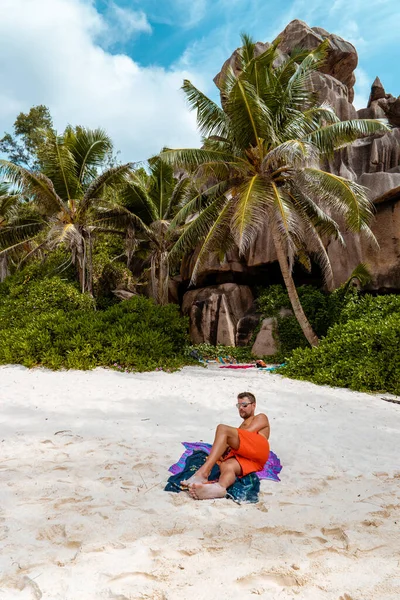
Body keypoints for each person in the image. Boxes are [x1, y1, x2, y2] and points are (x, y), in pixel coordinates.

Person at [182, 392, 270, 500]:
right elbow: (239, 441)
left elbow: (248, 433)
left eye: (244, 405)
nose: (241, 408)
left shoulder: (261, 417)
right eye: (239, 406)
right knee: (227, 466)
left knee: (222, 429)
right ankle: (219, 488)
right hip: (252, 459)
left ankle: (203, 473)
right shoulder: (241, 426)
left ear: (254, 405)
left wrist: (227, 443)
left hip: (259, 448)